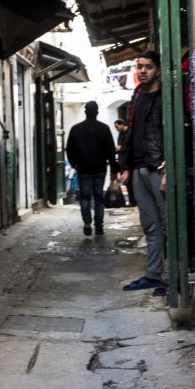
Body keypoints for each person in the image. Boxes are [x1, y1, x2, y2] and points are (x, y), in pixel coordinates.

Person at [119, 50, 167, 294]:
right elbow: (130, 133)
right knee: (150, 224)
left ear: (157, 69)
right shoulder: (137, 95)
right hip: (138, 168)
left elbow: (172, 131)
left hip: (157, 166)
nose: (142, 71)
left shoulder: (165, 95)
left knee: (168, 222)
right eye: (139, 66)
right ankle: (153, 274)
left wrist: (169, 166)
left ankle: (171, 276)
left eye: (148, 67)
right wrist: (125, 167)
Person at [65, 101, 118, 235]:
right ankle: (99, 227)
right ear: (97, 112)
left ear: (85, 112)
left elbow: (69, 149)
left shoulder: (76, 129)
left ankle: (87, 222)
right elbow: (110, 151)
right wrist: (114, 169)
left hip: (83, 168)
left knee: (85, 197)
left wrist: (74, 163)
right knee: (99, 198)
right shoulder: (104, 128)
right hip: (100, 168)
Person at [113, 119, 136, 206]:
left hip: (129, 161)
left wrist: (121, 148)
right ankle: (131, 200)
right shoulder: (120, 135)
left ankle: (133, 200)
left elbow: (130, 148)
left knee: (130, 182)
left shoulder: (130, 133)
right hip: (123, 161)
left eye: (117, 126)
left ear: (122, 124)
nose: (116, 129)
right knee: (127, 182)